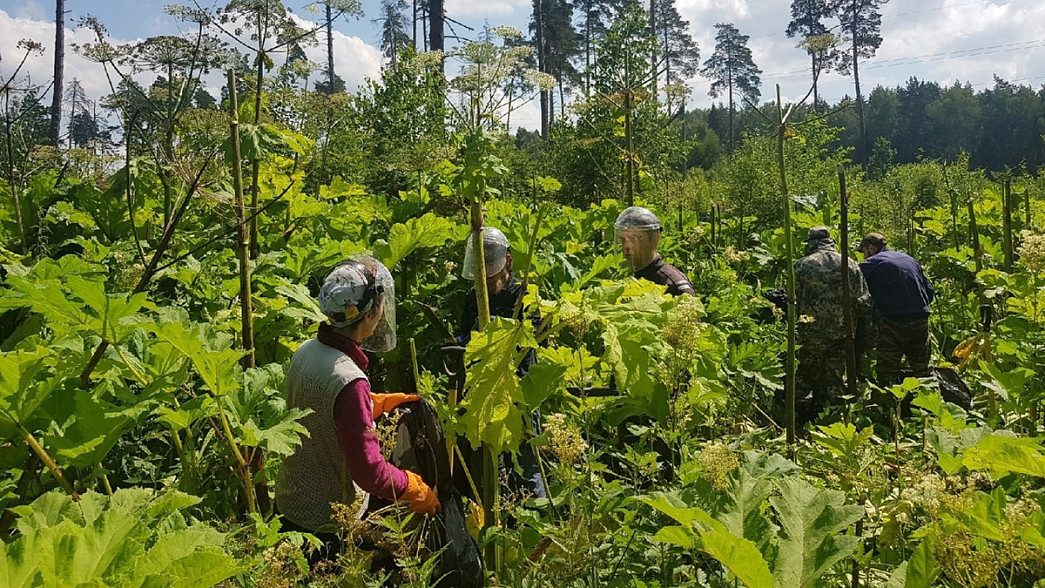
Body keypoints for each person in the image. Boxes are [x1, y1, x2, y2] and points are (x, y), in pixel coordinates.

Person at [276, 256, 440, 553]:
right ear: (370, 313)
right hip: (325, 524)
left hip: (290, 503)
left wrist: (371, 404)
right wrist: (412, 487)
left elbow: (319, 408)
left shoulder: (307, 350)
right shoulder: (349, 381)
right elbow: (369, 472)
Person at [456, 226, 546, 500]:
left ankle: (538, 514)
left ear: (507, 263)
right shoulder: (473, 297)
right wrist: (460, 342)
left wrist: (499, 328)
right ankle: (500, 512)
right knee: (492, 464)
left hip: (520, 392)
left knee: (527, 463)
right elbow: (465, 335)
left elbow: (535, 338)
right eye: (480, 275)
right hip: (484, 391)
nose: (485, 282)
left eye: (491, 275)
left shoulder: (524, 296)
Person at [793, 226, 872, 422]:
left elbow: (792, 299)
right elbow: (863, 300)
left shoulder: (802, 265)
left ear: (811, 243)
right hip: (842, 331)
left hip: (810, 332)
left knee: (804, 375)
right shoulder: (850, 264)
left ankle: (797, 417)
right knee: (834, 377)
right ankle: (829, 418)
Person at [856, 232, 935, 385]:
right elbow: (929, 290)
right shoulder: (909, 259)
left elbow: (854, 286)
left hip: (892, 321)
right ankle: (932, 397)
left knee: (887, 371)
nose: (864, 256)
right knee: (923, 369)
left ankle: (888, 398)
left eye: (864, 252)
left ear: (871, 248)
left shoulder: (871, 263)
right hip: (920, 318)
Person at [614, 206, 696, 297]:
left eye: (634, 239)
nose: (627, 246)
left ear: (655, 239)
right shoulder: (631, 280)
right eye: (623, 240)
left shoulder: (673, 285)